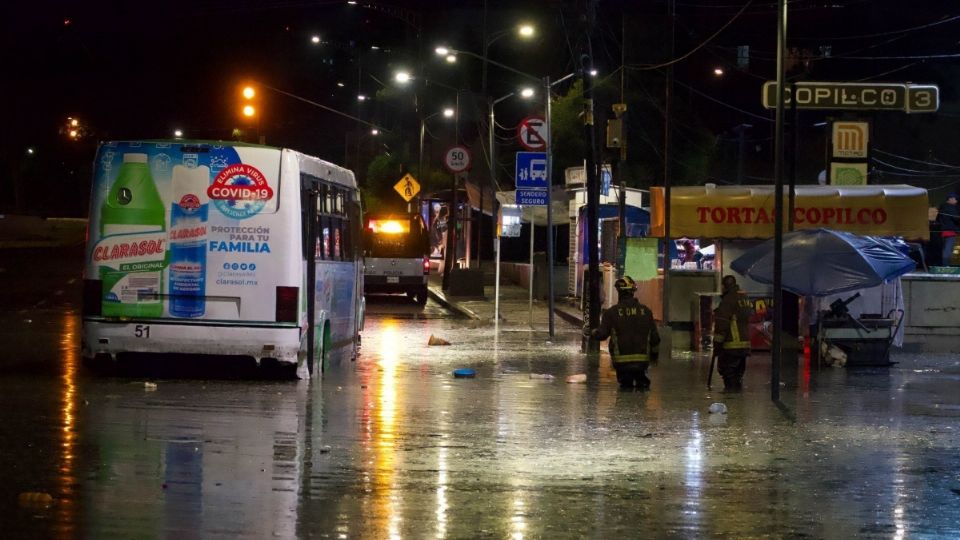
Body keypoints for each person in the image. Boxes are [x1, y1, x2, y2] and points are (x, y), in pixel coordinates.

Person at [589, 276, 661, 390]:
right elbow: (655, 339)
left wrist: (592, 332)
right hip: (642, 364)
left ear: (618, 292)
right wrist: (654, 359)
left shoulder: (611, 313)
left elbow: (601, 335)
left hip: (622, 364)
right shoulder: (646, 312)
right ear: (633, 291)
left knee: (625, 392)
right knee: (643, 390)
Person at [713, 275, 753, 391]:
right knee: (738, 374)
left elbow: (722, 324)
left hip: (731, 344)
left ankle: (730, 400)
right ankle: (738, 401)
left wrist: (717, 343)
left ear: (725, 286)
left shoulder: (728, 300)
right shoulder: (744, 297)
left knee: (728, 372)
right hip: (744, 344)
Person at [938, 193, 959, 266]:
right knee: (948, 249)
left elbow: (938, 219)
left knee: (945, 248)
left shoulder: (942, 207)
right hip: (950, 230)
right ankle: (946, 265)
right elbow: (956, 218)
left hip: (943, 230)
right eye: (955, 199)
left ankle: (945, 264)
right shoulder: (950, 207)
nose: (956, 201)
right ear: (950, 199)